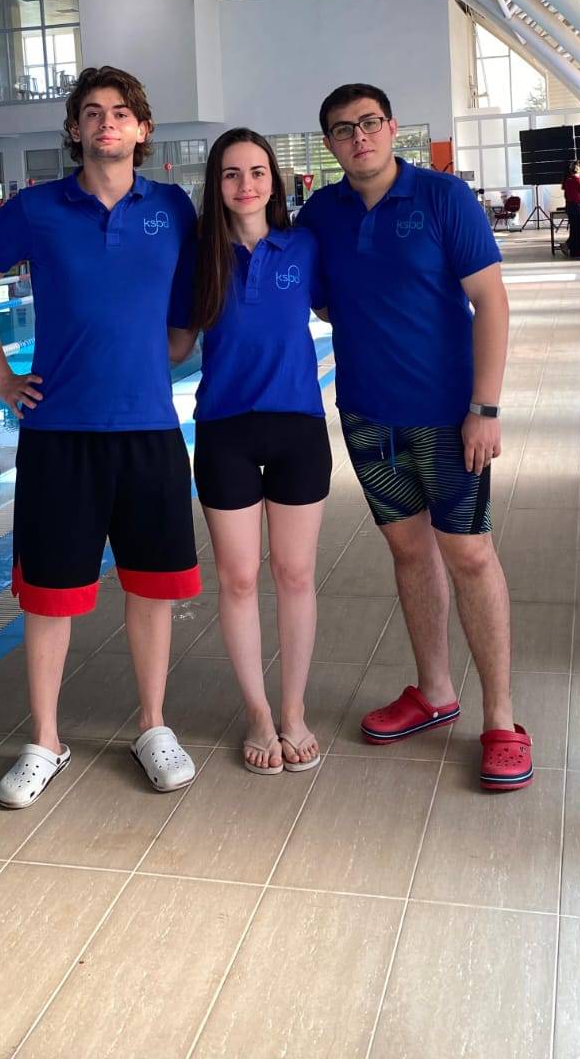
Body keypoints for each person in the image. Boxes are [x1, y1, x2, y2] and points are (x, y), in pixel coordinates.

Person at [0, 65, 201, 807]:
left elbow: (186, 312)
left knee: (151, 590)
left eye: (120, 112)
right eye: (92, 112)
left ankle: (153, 726)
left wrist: (166, 349)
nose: (106, 123)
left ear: (142, 128)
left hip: (149, 428)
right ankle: (45, 740)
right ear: (74, 129)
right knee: (49, 596)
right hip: (59, 433)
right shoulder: (36, 209)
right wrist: (3, 380)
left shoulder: (173, 208)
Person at [298, 84, 530, 792]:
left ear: (392, 127)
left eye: (369, 123)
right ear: (330, 144)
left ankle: (501, 719)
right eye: (343, 130)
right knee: (408, 551)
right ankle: (434, 691)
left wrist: (485, 407)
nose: (359, 137)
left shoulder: (441, 197)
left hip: (447, 415)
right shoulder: (323, 213)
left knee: (469, 554)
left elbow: (491, 301)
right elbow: (322, 301)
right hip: (368, 416)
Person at [168, 129, 331, 775]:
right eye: (231, 174)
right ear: (217, 184)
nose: (246, 185)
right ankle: (259, 713)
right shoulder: (199, 256)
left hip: (299, 428)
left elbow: (346, 307)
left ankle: (293, 710)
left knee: (294, 574)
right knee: (238, 578)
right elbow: (175, 345)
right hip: (225, 430)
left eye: (257, 172)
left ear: (274, 181)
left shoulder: (304, 246)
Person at [562, 158, 580, 258]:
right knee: (579, 230)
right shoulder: (579, 180)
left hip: (570, 206)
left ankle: (572, 250)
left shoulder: (568, 180)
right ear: (579, 168)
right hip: (578, 206)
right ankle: (576, 252)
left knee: (574, 229)